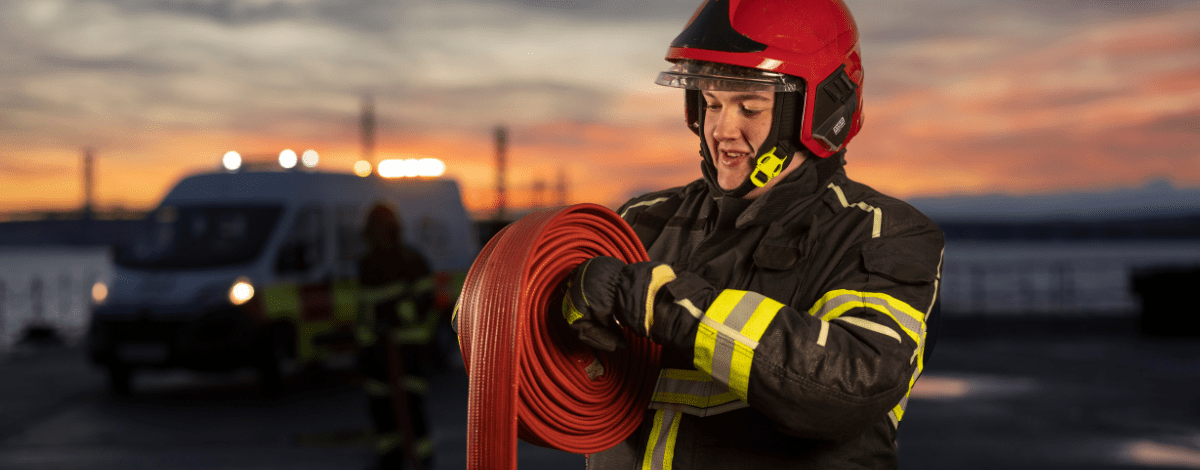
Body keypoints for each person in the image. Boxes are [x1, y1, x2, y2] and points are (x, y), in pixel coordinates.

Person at [559, 0, 945, 468]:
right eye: (711, 102)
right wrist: (557, 311)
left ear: (819, 108)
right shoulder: (642, 220)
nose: (721, 129)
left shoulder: (881, 233)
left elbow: (850, 385)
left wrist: (665, 305)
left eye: (750, 106)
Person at [357, 203, 438, 470]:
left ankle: (421, 461)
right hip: (376, 354)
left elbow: (427, 300)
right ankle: (389, 461)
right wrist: (366, 344)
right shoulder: (367, 264)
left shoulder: (411, 261)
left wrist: (399, 315)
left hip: (408, 351)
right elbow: (365, 310)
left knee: (412, 412)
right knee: (382, 414)